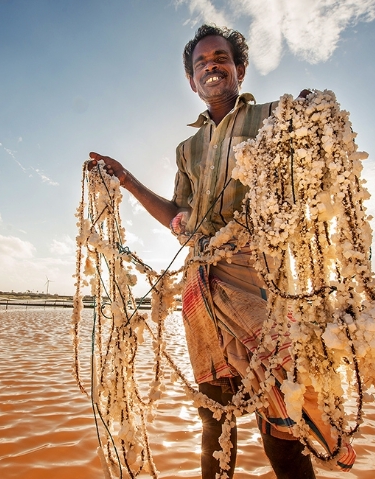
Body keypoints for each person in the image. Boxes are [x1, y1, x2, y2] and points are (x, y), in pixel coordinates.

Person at [89, 24, 318, 479]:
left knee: (282, 421)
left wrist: (308, 121)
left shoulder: (274, 119)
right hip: (203, 290)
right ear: (192, 81)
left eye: (221, 59)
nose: (211, 66)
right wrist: (127, 179)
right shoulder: (186, 149)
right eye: (201, 63)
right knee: (214, 418)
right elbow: (180, 216)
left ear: (240, 70)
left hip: (261, 282)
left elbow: (304, 173)